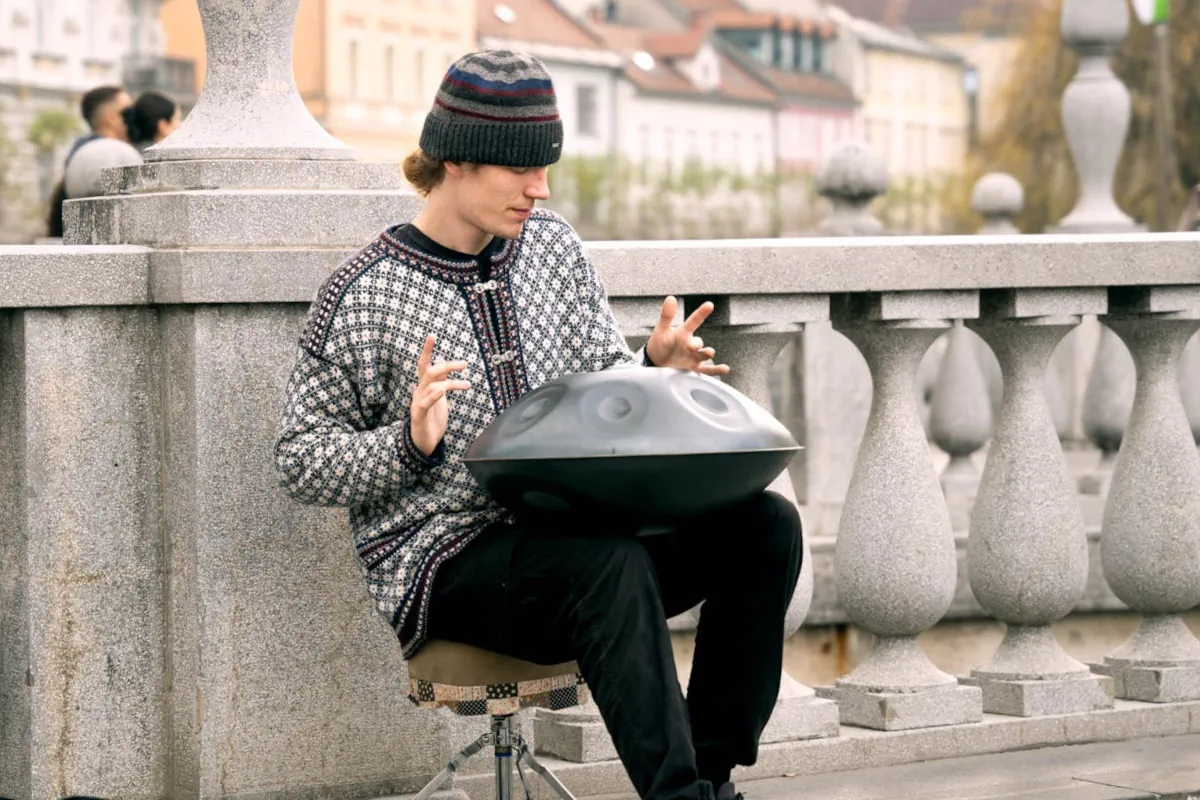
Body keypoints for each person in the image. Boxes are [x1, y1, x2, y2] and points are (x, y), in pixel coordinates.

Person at [273, 50, 803, 800]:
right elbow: (300, 459)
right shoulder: (363, 293)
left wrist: (652, 371)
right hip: (448, 560)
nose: (540, 187)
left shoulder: (552, 247)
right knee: (609, 566)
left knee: (765, 527)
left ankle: (711, 778)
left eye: (546, 165)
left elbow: (599, 395)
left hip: (576, 536)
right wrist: (408, 442)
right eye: (520, 168)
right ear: (455, 160)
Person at [46, 85, 143, 238]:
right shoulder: (106, 158)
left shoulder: (79, 153)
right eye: (128, 112)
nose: (135, 119)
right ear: (110, 118)